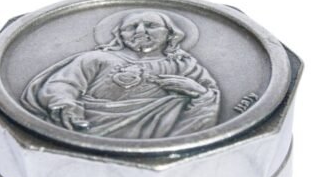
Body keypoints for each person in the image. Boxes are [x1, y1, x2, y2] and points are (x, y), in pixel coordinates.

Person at [21, 10, 220, 139]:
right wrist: (66, 105)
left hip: (161, 131)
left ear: (170, 33)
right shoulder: (96, 58)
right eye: (130, 27)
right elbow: (62, 84)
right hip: (91, 126)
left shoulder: (184, 65)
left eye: (151, 26)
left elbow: (209, 97)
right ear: (120, 35)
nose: (140, 31)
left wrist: (198, 91)